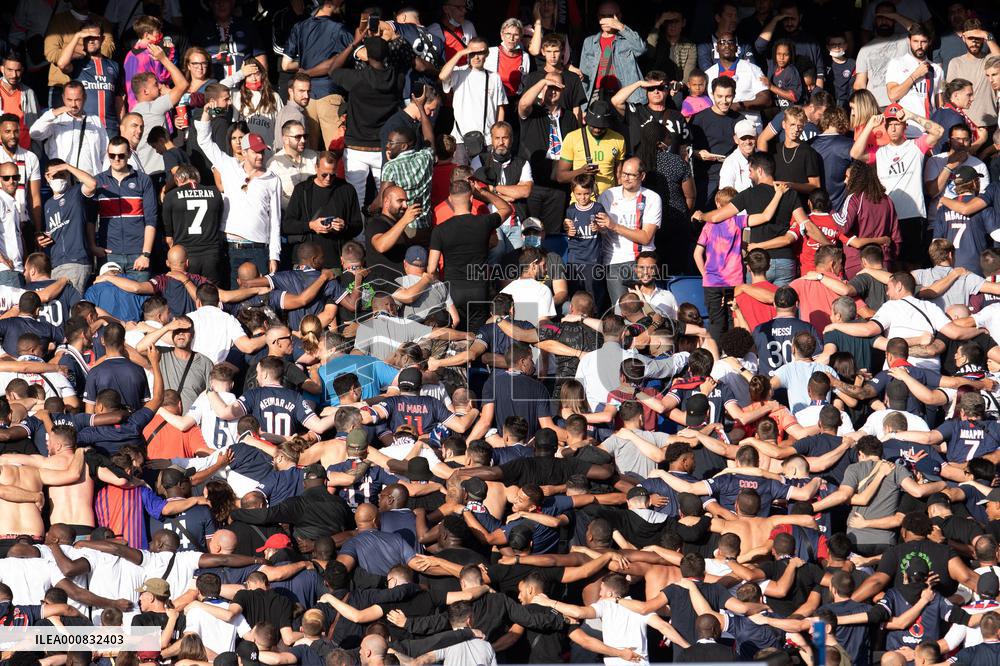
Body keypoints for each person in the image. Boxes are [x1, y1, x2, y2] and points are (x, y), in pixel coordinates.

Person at [195, 100, 282, 285]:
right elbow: (204, 141)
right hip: (229, 247)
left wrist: (274, 255)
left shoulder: (273, 179)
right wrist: (205, 114)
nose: (260, 156)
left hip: (258, 249)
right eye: (256, 152)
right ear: (245, 151)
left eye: (262, 152)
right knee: (232, 298)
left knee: (258, 301)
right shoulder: (228, 165)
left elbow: (275, 220)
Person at [850, 104, 944, 269]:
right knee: (891, 265)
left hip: (913, 215)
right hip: (888, 218)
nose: (892, 128)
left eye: (897, 124)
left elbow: (939, 131)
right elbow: (855, 153)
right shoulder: (880, 152)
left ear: (904, 126)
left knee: (914, 266)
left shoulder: (916, 146)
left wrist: (912, 115)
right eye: (889, 125)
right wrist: (870, 126)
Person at [91, 137, 158, 281]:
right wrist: (92, 246)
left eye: (121, 155)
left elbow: (151, 220)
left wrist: (146, 254)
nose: (116, 159)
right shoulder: (98, 181)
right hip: (109, 253)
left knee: (141, 300)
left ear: (129, 154)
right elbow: (90, 220)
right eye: (111, 155)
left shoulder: (143, 180)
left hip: (138, 254)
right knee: (110, 301)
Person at [161, 165, 225, 284]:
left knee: (188, 293)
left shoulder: (171, 196)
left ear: (178, 179)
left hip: (185, 255)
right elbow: (220, 223)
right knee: (211, 294)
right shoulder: (215, 193)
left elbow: (169, 238)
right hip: (211, 254)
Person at [577, 1, 646, 106]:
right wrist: (583, 106)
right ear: (598, 17)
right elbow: (584, 74)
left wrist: (621, 27)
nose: (606, 20)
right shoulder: (589, 42)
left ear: (619, 16)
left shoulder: (626, 39)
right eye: (603, 16)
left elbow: (641, 49)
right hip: (597, 95)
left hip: (626, 95)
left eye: (610, 16)